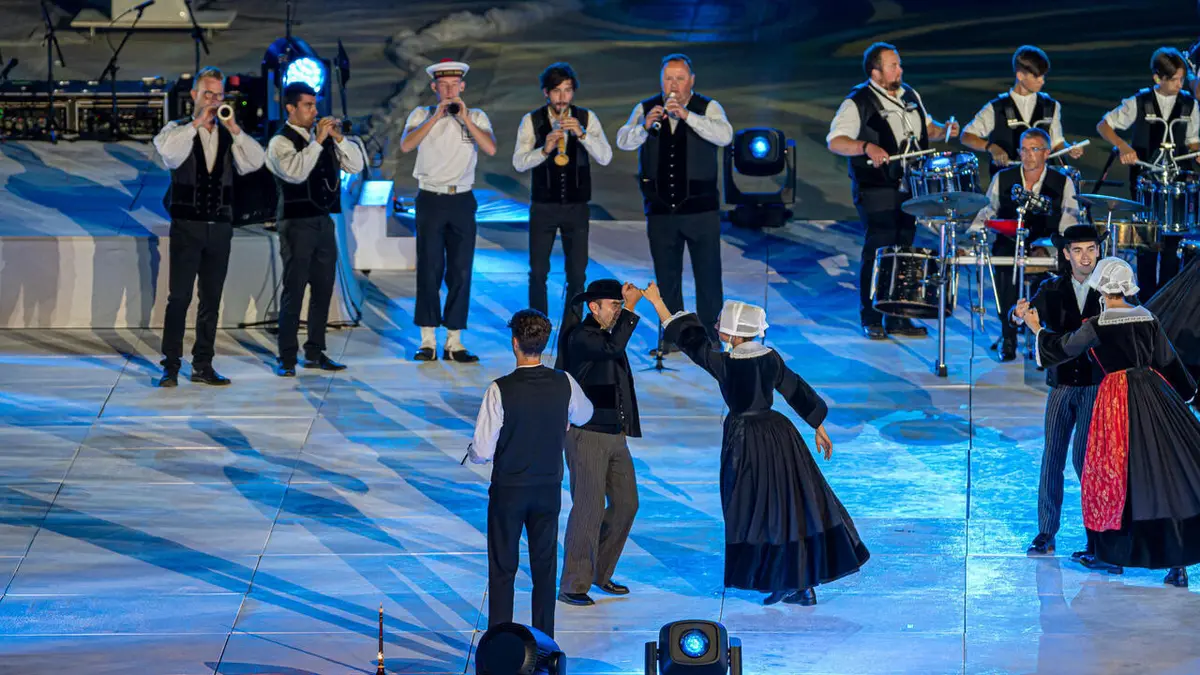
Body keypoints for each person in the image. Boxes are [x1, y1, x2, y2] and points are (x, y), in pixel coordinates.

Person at [642, 285, 870, 605]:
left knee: (754, 510)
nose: (717, 327)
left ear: (735, 336)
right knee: (788, 507)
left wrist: (657, 303)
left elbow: (691, 341)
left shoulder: (726, 363)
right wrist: (818, 425)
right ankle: (799, 583)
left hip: (745, 441)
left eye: (722, 325)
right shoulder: (770, 358)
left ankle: (784, 580)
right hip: (780, 435)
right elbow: (795, 389)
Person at [1022, 257, 1200, 587]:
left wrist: (1036, 329)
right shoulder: (1148, 318)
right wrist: (1191, 398)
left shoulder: (1098, 324)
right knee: (1161, 475)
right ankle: (1177, 566)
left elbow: (1062, 349)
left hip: (1117, 403)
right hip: (1155, 397)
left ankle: (1112, 556)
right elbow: (1170, 364)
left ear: (1102, 289)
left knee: (1110, 476)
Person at [468, 309, 593, 637]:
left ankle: (499, 645)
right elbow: (585, 413)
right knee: (544, 567)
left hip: (509, 489)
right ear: (545, 341)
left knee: (503, 568)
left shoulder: (500, 389)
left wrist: (472, 455)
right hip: (547, 487)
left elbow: (482, 451)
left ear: (514, 343)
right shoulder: (563, 382)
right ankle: (545, 644)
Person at [826, 42, 959, 340]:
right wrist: (865, 146)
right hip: (877, 188)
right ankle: (871, 316)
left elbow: (927, 129)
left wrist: (945, 129)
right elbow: (835, 141)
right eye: (893, 66)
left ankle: (899, 316)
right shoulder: (857, 102)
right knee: (880, 247)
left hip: (910, 186)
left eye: (899, 65)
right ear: (875, 72)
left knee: (905, 248)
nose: (900, 70)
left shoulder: (910, 95)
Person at [1009, 226, 1116, 572]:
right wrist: (1017, 313)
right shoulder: (1051, 288)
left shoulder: (1109, 290)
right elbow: (1025, 315)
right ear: (1066, 254)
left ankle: (1095, 535)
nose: (1086, 257)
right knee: (1051, 457)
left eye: (1091, 249)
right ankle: (1046, 532)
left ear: (1099, 251)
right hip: (1060, 387)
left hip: (1094, 388)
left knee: (1085, 461)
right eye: (1078, 250)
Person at [153, 66, 267, 387]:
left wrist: (234, 128)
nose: (214, 101)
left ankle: (203, 364)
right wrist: (196, 124)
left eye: (218, 96)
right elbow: (169, 155)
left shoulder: (229, 136)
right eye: (208, 94)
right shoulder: (176, 130)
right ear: (194, 95)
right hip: (187, 226)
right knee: (179, 298)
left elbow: (255, 162)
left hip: (219, 227)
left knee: (211, 300)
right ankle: (171, 365)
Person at [616, 53, 733, 349]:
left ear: (691, 80)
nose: (674, 84)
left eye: (680, 78)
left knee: (708, 276)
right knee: (667, 278)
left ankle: (710, 337)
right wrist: (644, 126)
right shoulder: (646, 108)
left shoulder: (707, 107)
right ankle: (674, 336)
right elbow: (623, 140)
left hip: (700, 210)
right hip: (660, 211)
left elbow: (724, 135)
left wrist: (687, 116)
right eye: (669, 78)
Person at [400, 59, 497, 362]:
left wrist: (465, 118)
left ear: (463, 86)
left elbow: (491, 148)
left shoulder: (477, 116)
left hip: (462, 200)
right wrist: (436, 117)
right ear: (434, 87)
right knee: (429, 268)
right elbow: (406, 145)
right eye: (443, 85)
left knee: (461, 270)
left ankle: (454, 341)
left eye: (454, 85)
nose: (449, 90)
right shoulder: (421, 114)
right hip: (430, 198)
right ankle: (427, 339)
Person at [554, 279, 644, 606]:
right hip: (587, 435)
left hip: (614, 435)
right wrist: (632, 310)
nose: (619, 311)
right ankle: (574, 585)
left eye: (620, 305)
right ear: (594, 307)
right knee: (589, 509)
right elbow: (612, 349)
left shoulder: (606, 336)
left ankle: (600, 572)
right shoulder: (580, 336)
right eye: (615, 305)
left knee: (626, 503)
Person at [265, 83, 366, 376]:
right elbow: (295, 172)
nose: (314, 111)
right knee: (294, 290)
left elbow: (356, 166)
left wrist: (338, 139)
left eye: (314, 105)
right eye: (308, 105)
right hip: (295, 223)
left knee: (323, 289)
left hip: (323, 221)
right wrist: (318, 141)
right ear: (291, 108)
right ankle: (287, 356)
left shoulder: (321, 140)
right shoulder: (279, 142)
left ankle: (315, 350)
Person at [1096, 47, 1200, 301]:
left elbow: (1193, 141)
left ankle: (1166, 303)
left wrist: (1197, 152)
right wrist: (1124, 147)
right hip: (1145, 184)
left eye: (1182, 79)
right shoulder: (1139, 102)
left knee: (1171, 246)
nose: (1180, 84)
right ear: (1158, 78)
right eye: (1174, 79)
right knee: (1147, 245)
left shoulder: (1190, 104)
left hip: (1174, 184)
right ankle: (1147, 300)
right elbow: (1104, 125)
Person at [512, 62, 613, 322]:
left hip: (576, 207)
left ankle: (572, 325)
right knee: (538, 271)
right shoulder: (531, 120)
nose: (562, 97)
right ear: (546, 92)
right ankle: (537, 323)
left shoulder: (586, 118)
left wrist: (581, 134)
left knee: (577, 273)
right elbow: (519, 162)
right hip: (544, 206)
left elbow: (605, 156)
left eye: (567, 91)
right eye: (556, 91)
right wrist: (544, 150)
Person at [970, 128, 1081, 361]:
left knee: (1051, 284)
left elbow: (1069, 224)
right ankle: (1008, 336)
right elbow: (987, 213)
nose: (1028, 155)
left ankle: (1046, 340)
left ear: (1047, 153)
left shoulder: (1063, 182)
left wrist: (1049, 248)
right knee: (1002, 263)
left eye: (1034, 149)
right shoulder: (1003, 178)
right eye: (1024, 149)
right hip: (1009, 245)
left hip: (1046, 247)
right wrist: (971, 239)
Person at [960, 45, 1085, 177]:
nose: (1042, 81)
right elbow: (966, 136)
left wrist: (1069, 149)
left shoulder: (1051, 106)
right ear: (1020, 76)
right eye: (1036, 77)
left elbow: (1057, 142)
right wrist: (991, 147)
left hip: (1042, 182)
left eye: (1043, 76)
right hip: (1006, 182)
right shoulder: (996, 108)